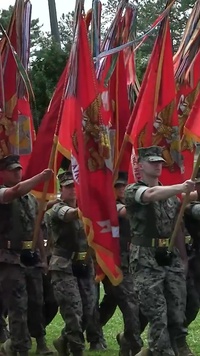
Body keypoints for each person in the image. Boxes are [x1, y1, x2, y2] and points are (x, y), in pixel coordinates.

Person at [124, 146, 196, 356]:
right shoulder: (133, 190)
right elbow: (150, 195)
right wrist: (182, 188)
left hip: (170, 257)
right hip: (146, 260)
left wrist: (183, 259)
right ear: (140, 165)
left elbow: (177, 229)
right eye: (152, 162)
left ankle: (173, 348)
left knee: (177, 310)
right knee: (157, 313)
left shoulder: (172, 197)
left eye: (159, 162)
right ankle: (161, 351)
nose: (157, 165)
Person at [0, 154, 53, 356]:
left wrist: (43, 257)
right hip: (9, 258)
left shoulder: (31, 199)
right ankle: (19, 347)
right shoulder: (4, 193)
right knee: (17, 306)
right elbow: (15, 191)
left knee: (36, 302)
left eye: (19, 169)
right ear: (3, 173)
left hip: (30, 257)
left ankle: (40, 342)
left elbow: (37, 228)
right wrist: (40, 177)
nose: (18, 172)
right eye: (13, 169)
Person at [49, 171, 95, 356]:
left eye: (75, 185)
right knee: (73, 313)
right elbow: (69, 215)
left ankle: (63, 340)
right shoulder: (57, 208)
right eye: (68, 187)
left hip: (84, 264)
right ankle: (76, 351)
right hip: (63, 266)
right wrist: (88, 209)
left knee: (88, 310)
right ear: (62, 189)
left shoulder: (86, 208)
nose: (73, 190)